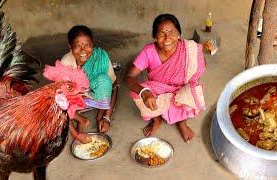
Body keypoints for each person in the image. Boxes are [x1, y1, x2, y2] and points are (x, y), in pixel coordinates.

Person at [124, 14, 206, 142]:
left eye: (171, 32)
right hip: (158, 89)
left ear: (179, 34)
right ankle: (156, 119)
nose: (167, 38)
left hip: (181, 89)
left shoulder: (189, 49)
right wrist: (143, 92)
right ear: (155, 37)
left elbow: (196, 72)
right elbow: (128, 77)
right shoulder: (149, 51)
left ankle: (182, 123)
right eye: (161, 33)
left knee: (193, 91)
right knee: (136, 93)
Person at [61, 25, 118, 143]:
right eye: (77, 46)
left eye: (87, 45)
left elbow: (115, 87)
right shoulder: (66, 63)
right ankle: (80, 118)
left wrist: (106, 117)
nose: (83, 50)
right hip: (74, 99)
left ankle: (99, 112)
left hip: (91, 95)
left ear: (92, 44)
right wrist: (76, 134)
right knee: (56, 103)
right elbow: (58, 100)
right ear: (70, 47)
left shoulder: (101, 57)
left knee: (104, 80)